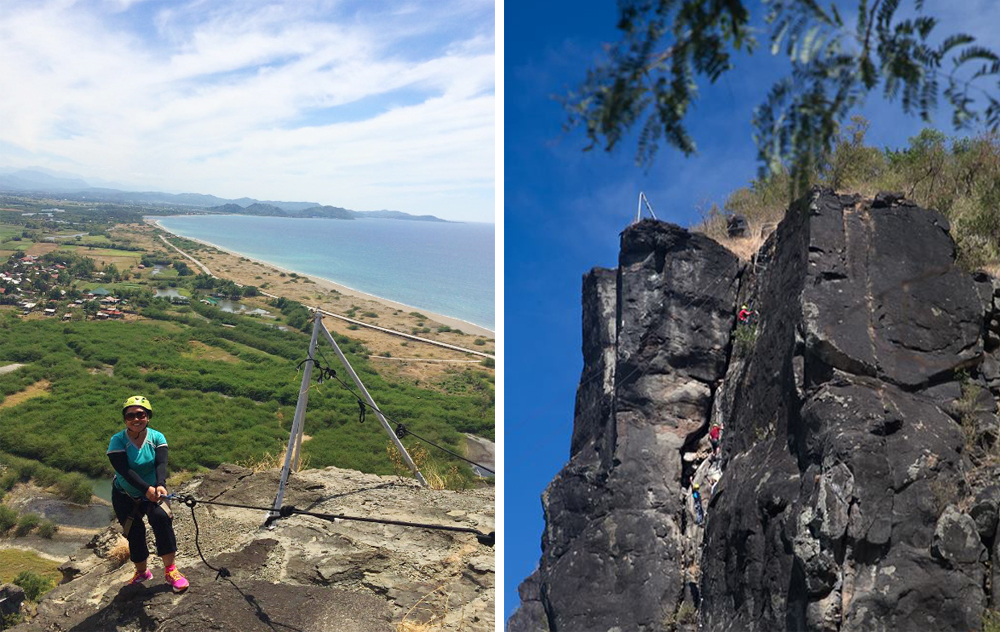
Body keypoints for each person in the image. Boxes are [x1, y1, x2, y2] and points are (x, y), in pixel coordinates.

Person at [107, 395, 189, 592]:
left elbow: (161, 463)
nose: (136, 419)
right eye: (130, 416)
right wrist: (146, 489)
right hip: (126, 494)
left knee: (162, 519)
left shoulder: (156, 437)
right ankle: (142, 572)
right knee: (134, 532)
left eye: (141, 414)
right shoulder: (117, 441)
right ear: (125, 419)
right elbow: (125, 470)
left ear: (148, 416)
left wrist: (160, 484)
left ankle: (170, 570)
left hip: (154, 490)